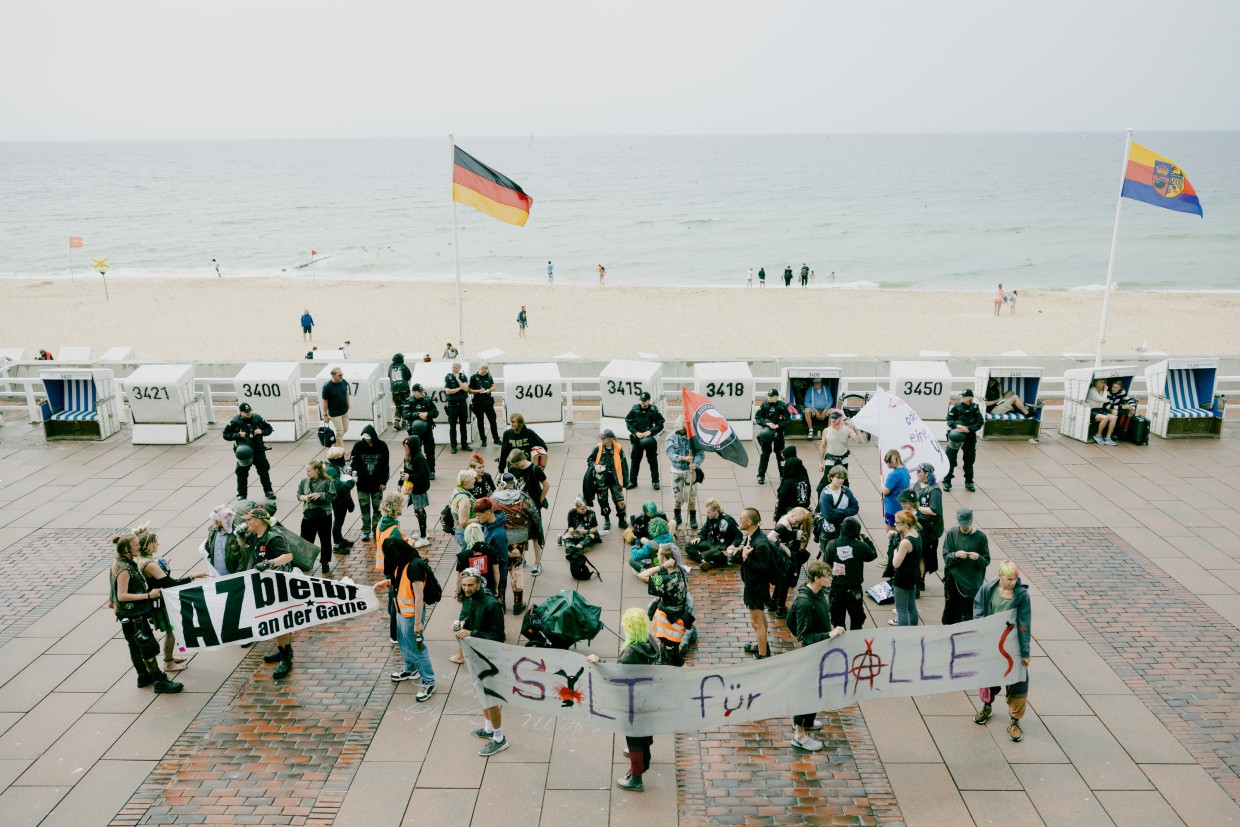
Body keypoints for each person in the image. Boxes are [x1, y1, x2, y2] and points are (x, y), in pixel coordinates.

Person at [585, 607, 660, 792]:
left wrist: (600, 662)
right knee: (643, 734)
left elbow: (616, 678)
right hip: (649, 699)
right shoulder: (650, 642)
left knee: (634, 739)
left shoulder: (630, 654)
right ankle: (644, 756)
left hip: (633, 705)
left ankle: (636, 778)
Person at [109, 532, 184, 694]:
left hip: (127, 615)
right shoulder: (124, 568)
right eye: (135, 545)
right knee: (148, 646)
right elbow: (122, 595)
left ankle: (143, 676)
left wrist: (111, 599)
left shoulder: (118, 562)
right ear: (127, 549)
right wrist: (149, 595)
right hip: (134, 615)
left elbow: (113, 585)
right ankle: (159, 680)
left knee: (135, 647)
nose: (139, 547)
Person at [786, 560, 847, 750]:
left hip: (820, 652)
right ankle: (799, 734)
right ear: (816, 578)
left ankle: (808, 722)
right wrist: (828, 635)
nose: (831, 578)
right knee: (808, 692)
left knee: (816, 690)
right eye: (827, 576)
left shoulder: (819, 593)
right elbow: (803, 636)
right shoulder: (805, 602)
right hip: (811, 655)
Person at [134, 525, 209, 674]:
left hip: (157, 601)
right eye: (156, 542)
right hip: (162, 603)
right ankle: (168, 662)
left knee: (172, 630)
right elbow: (171, 584)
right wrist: (193, 576)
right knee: (171, 631)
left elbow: (160, 580)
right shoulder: (150, 565)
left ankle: (170, 657)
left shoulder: (142, 559)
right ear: (148, 545)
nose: (158, 544)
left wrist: (164, 570)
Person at [973, 560, 1032, 742]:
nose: (1013, 583)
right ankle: (987, 706)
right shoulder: (987, 590)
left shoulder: (1022, 595)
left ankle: (1015, 720)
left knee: (1017, 681)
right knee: (988, 677)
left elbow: (1024, 624)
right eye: (1009, 579)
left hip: (1011, 646)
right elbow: (978, 612)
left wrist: (1025, 652)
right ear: (1000, 576)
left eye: (1015, 579)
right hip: (991, 644)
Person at [375, 535, 437, 702]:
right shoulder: (403, 560)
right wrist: (387, 583)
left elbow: (419, 596)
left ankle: (429, 680)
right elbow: (400, 580)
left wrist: (418, 623)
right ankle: (410, 668)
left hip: (410, 615)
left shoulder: (414, 566)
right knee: (403, 642)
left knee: (417, 647)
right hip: (401, 611)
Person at [237, 507, 297, 678]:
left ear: (258, 521)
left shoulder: (273, 537)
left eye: (248, 520)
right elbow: (244, 545)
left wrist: (269, 563)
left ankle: (286, 658)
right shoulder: (255, 535)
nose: (246, 523)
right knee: (274, 620)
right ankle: (284, 650)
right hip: (264, 585)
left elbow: (287, 556)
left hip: (277, 586)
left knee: (278, 621)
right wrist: (240, 536)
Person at [457, 568, 510, 755]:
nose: (466, 589)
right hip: (477, 655)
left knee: (489, 697)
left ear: (480, 584)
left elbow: (498, 636)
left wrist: (472, 633)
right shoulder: (474, 598)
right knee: (481, 693)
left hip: (490, 660)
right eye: (464, 585)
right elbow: (473, 619)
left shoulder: (491, 604)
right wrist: (464, 622)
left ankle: (499, 737)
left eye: (470, 585)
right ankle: (489, 729)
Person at [636, 545, 693, 666]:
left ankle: (675, 668)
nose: (657, 556)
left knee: (671, 650)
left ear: (666, 559)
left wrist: (661, 566)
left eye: (659, 554)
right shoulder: (680, 570)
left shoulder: (667, 579)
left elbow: (642, 575)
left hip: (669, 621)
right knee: (668, 646)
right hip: (678, 614)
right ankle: (664, 659)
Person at [491, 475, 542, 610]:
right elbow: (535, 516)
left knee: (500, 568)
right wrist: (535, 534)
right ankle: (518, 603)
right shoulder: (523, 497)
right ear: (514, 482)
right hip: (519, 539)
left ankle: (501, 602)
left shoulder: (493, 499)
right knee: (517, 568)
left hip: (499, 538)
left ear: (500, 483)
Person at [823, 516, 877, 630]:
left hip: (837, 589)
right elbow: (872, 554)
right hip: (854, 590)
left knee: (837, 621)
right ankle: (854, 642)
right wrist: (865, 538)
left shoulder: (832, 544)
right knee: (857, 620)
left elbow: (826, 565)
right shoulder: (860, 546)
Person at [941, 507, 990, 625]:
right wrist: (955, 555)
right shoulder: (951, 534)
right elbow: (946, 557)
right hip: (954, 583)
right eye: (962, 526)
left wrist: (978, 558)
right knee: (950, 613)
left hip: (972, 584)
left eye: (967, 525)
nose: (965, 528)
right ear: (957, 521)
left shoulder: (981, 537)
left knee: (967, 616)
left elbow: (986, 560)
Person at [739, 508, 776, 659]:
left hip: (756, 587)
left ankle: (762, 655)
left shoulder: (760, 543)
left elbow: (762, 568)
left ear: (749, 522)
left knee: (756, 622)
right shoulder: (752, 537)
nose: (739, 520)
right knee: (761, 618)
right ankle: (763, 646)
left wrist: (746, 559)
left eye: (741, 518)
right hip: (752, 585)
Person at [222, 402, 275, 501]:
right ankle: (242, 494)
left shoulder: (258, 419)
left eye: (250, 411)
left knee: (263, 471)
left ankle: (268, 491)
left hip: (258, 449)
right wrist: (238, 435)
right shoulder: (235, 421)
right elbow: (225, 434)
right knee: (242, 473)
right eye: (246, 412)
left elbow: (269, 428)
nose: (249, 413)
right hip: (244, 451)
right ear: (241, 412)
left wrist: (262, 432)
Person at [767, 506, 813, 618]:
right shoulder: (784, 525)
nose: (797, 523)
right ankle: (780, 607)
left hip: (783, 556)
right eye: (797, 520)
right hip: (784, 556)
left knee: (782, 580)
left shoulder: (787, 520)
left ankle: (774, 602)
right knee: (785, 582)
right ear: (792, 514)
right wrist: (785, 548)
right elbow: (771, 537)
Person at [350, 424, 389, 543]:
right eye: (365, 437)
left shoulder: (382, 446)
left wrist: (383, 481)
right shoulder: (358, 446)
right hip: (362, 484)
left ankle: (376, 528)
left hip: (377, 484)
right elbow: (353, 462)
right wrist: (353, 475)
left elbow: (385, 465)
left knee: (378, 508)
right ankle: (366, 530)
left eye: (368, 437)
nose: (366, 440)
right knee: (364, 507)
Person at [297, 460, 337, 574]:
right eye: (306, 470)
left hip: (323, 516)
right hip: (308, 515)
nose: (307, 473)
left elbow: (333, 496)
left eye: (309, 471)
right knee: (305, 541)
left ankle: (325, 562)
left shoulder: (327, 481)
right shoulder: (304, 481)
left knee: (325, 540)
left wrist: (321, 495)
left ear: (317, 471)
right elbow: (298, 494)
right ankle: (305, 561)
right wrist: (304, 498)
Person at [664, 415, 705, 528]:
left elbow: (700, 454)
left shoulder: (694, 439)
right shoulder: (670, 438)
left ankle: (692, 517)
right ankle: (677, 516)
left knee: (691, 495)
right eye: (681, 429)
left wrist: (695, 464)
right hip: (676, 471)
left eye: (685, 429)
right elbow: (671, 454)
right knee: (677, 495)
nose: (683, 431)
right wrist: (684, 458)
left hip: (690, 472)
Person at [584, 430, 628, 532]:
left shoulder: (619, 448)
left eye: (604, 438)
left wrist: (626, 481)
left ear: (610, 439)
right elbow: (590, 460)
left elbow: (624, 465)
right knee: (603, 501)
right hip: (601, 480)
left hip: (615, 480)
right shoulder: (598, 447)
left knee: (620, 502)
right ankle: (607, 519)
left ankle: (622, 520)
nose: (601, 439)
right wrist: (595, 466)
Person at [911, 463, 943, 592]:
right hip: (917, 524)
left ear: (927, 474)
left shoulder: (934, 490)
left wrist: (917, 508)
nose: (917, 474)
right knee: (917, 554)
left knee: (923, 555)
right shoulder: (918, 485)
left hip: (929, 529)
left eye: (919, 472)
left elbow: (935, 510)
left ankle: (920, 580)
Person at [815, 409, 863, 494]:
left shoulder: (847, 431)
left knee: (843, 484)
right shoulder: (827, 431)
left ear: (840, 419)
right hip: (830, 460)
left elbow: (860, 441)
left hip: (843, 460)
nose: (833, 420)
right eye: (831, 417)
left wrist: (856, 430)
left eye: (835, 418)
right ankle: (821, 505)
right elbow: (822, 447)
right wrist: (821, 463)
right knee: (825, 484)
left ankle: (844, 502)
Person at [944, 389, 984, 491]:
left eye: (964, 396)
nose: (962, 398)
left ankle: (969, 481)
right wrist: (959, 426)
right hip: (955, 437)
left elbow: (980, 422)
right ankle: (947, 481)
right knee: (950, 459)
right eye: (961, 396)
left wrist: (969, 429)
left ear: (970, 398)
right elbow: (949, 420)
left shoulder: (975, 408)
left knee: (969, 460)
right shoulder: (957, 407)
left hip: (969, 437)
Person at [625, 392, 665, 491]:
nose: (642, 402)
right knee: (635, 460)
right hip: (638, 439)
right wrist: (635, 432)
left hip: (650, 440)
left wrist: (650, 431)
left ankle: (655, 481)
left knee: (653, 461)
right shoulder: (635, 409)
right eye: (641, 400)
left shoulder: (653, 410)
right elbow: (628, 421)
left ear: (649, 400)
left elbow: (661, 424)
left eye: (644, 400)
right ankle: (632, 481)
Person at [688, 499, 743, 571]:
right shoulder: (710, 517)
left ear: (716, 511)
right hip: (711, 544)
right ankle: (704, 560)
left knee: (708, 555)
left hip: (721, 548)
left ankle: (709, 560)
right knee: (689, 546)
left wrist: (733, 545)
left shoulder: (728, 520)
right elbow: (705, 529)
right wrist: (699, 537)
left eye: (708, 512)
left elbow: (739, 535)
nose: (707, 514)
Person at [817, 465, 859, 553]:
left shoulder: (846, 491)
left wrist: (837, 511)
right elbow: (829, 517)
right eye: (838, 478)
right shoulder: (826, 494)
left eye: (843, 478)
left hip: (843, 528)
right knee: (825, 553)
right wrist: (846, 514)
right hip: (829, 529)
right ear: (831, 477)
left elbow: (855, 508)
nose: (841, 480)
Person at [399, 436, 431, 548]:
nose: (405, 447)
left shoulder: (419, 458)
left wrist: (410, 477)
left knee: (419, 512)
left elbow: (423, 476)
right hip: (414, 489)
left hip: (419, 489)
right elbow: (406, 470)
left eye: (408, 444)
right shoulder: (409, 457)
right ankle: (423, 532)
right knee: (418, 511)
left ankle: (423, 537)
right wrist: (400, 483)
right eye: (405, 444)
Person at [890, 511, 921, 627]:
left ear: (906, 524)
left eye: (898, 522)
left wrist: (894, 551)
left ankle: (903, 634)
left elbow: (896, 564)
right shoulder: (916, 534)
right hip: (913, 576)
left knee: (901, 610)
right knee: (912, 606)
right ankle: (914, 631)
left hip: (902, 579)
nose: (895, 524)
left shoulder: (905, 543)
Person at [755, 388, 790, 485]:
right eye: (768, 396)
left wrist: (778, 425)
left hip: (778, 433)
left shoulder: (782, 406)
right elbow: (758, 418)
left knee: (780, 455)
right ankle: (761, 475)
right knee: (765, 454)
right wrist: (767, 424)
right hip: (767, 433)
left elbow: (787, 420)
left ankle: (782, 475)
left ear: (777, 397)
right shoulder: (765, 405)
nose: (769, 398)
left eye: (771, 396)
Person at [456, 523, 500, 599]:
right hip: (488, 590)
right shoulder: (491, 550)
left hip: (469, 593)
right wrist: (496, 588)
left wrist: (458, 593)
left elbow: (458, 579)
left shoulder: (462, 556)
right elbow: (496, 573)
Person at [324, 447, 355, 553]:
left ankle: (340, 539)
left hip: (341, 499)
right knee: (338, 521)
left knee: (340, 521)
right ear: (337, 458)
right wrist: (352, 481)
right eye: (342, 456)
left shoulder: (336, 467)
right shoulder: (331, 470)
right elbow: (338, 487)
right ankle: (337, 545)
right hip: (338, 500)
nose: (344, 458)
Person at [404, 384, 439, 479]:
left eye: (422, 391)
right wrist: (417, 415)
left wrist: (427, 414)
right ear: (414, 392)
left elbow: (435, 412)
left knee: (430, 450)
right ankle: (418, 470)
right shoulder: (409, 401)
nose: (421, 393)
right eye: (419, 392)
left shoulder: (427, 400)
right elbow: (406, 414)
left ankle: (431, 470)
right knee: (416, 452)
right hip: (414, 432)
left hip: (427, 429)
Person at [201, 505, 246, 578]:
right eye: (213, 519)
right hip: (215, 576)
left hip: (230, 577)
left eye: (218, 520)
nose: (214, 522)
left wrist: (237, 577)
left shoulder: (237, 535)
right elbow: (208, 549)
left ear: (226, 521)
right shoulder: (212, 531)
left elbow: (243, 559)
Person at [774, 446, 811, 522]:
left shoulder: (788, 483)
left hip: (791, 510)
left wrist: (777, 517)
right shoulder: (804, 479)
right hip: (803, 507)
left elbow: (782, 500)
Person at [468, 363, 501, 447]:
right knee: (480, 421)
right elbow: (469, 390)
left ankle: (496, 439)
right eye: (483, 372)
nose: (484, 373)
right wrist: (478, 391)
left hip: (488, 402)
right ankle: (483, 439)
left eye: (485, 372)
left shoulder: (488, 376)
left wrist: (489, 390)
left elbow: (494, 386)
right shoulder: (474, 377)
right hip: (478, 402)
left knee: (492, 420)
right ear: (479, 369)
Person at [443, 361, 471, 454]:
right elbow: (448, 391)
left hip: (462, 405)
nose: (453, 369)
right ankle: (453, 445)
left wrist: (459, 380)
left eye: (455, 367)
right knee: (452, 427)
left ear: (459, 368)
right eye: (452, 367)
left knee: (463, 426)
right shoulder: (448, 377)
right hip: (452, 405)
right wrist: (459, 388)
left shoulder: (463, 377)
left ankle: (464, 444)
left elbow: (466, 388)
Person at [321, 366, 350, 447]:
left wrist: (348, 404)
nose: (342, 377)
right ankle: (341, 452)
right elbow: (325, 402)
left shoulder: (343, 382)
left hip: (344, 411)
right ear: (333, 376)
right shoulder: (327, 387)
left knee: (345, 429)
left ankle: (334, 444)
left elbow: (345, 393)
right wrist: (325, 415)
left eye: (342, 374)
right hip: (334, 413)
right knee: (340, 432)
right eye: (339, 375)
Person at [880, 449, 910, 527]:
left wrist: (881, 481)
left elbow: (886, 491)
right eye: (887, 462)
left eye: (891, 462)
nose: (888, 464)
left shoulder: (894, 475)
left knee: (890, 531)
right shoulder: (905, 470)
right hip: (902, 507)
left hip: (892, 508)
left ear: (898, 460)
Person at [388, 353, 412, 430]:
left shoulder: (391, 367)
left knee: (398, 406)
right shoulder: (403, 366)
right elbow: (408, 376)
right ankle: (404, 422)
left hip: (395, 389)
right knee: (405, 405)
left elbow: (389, 376)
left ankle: (397, 421)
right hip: (404, 388)